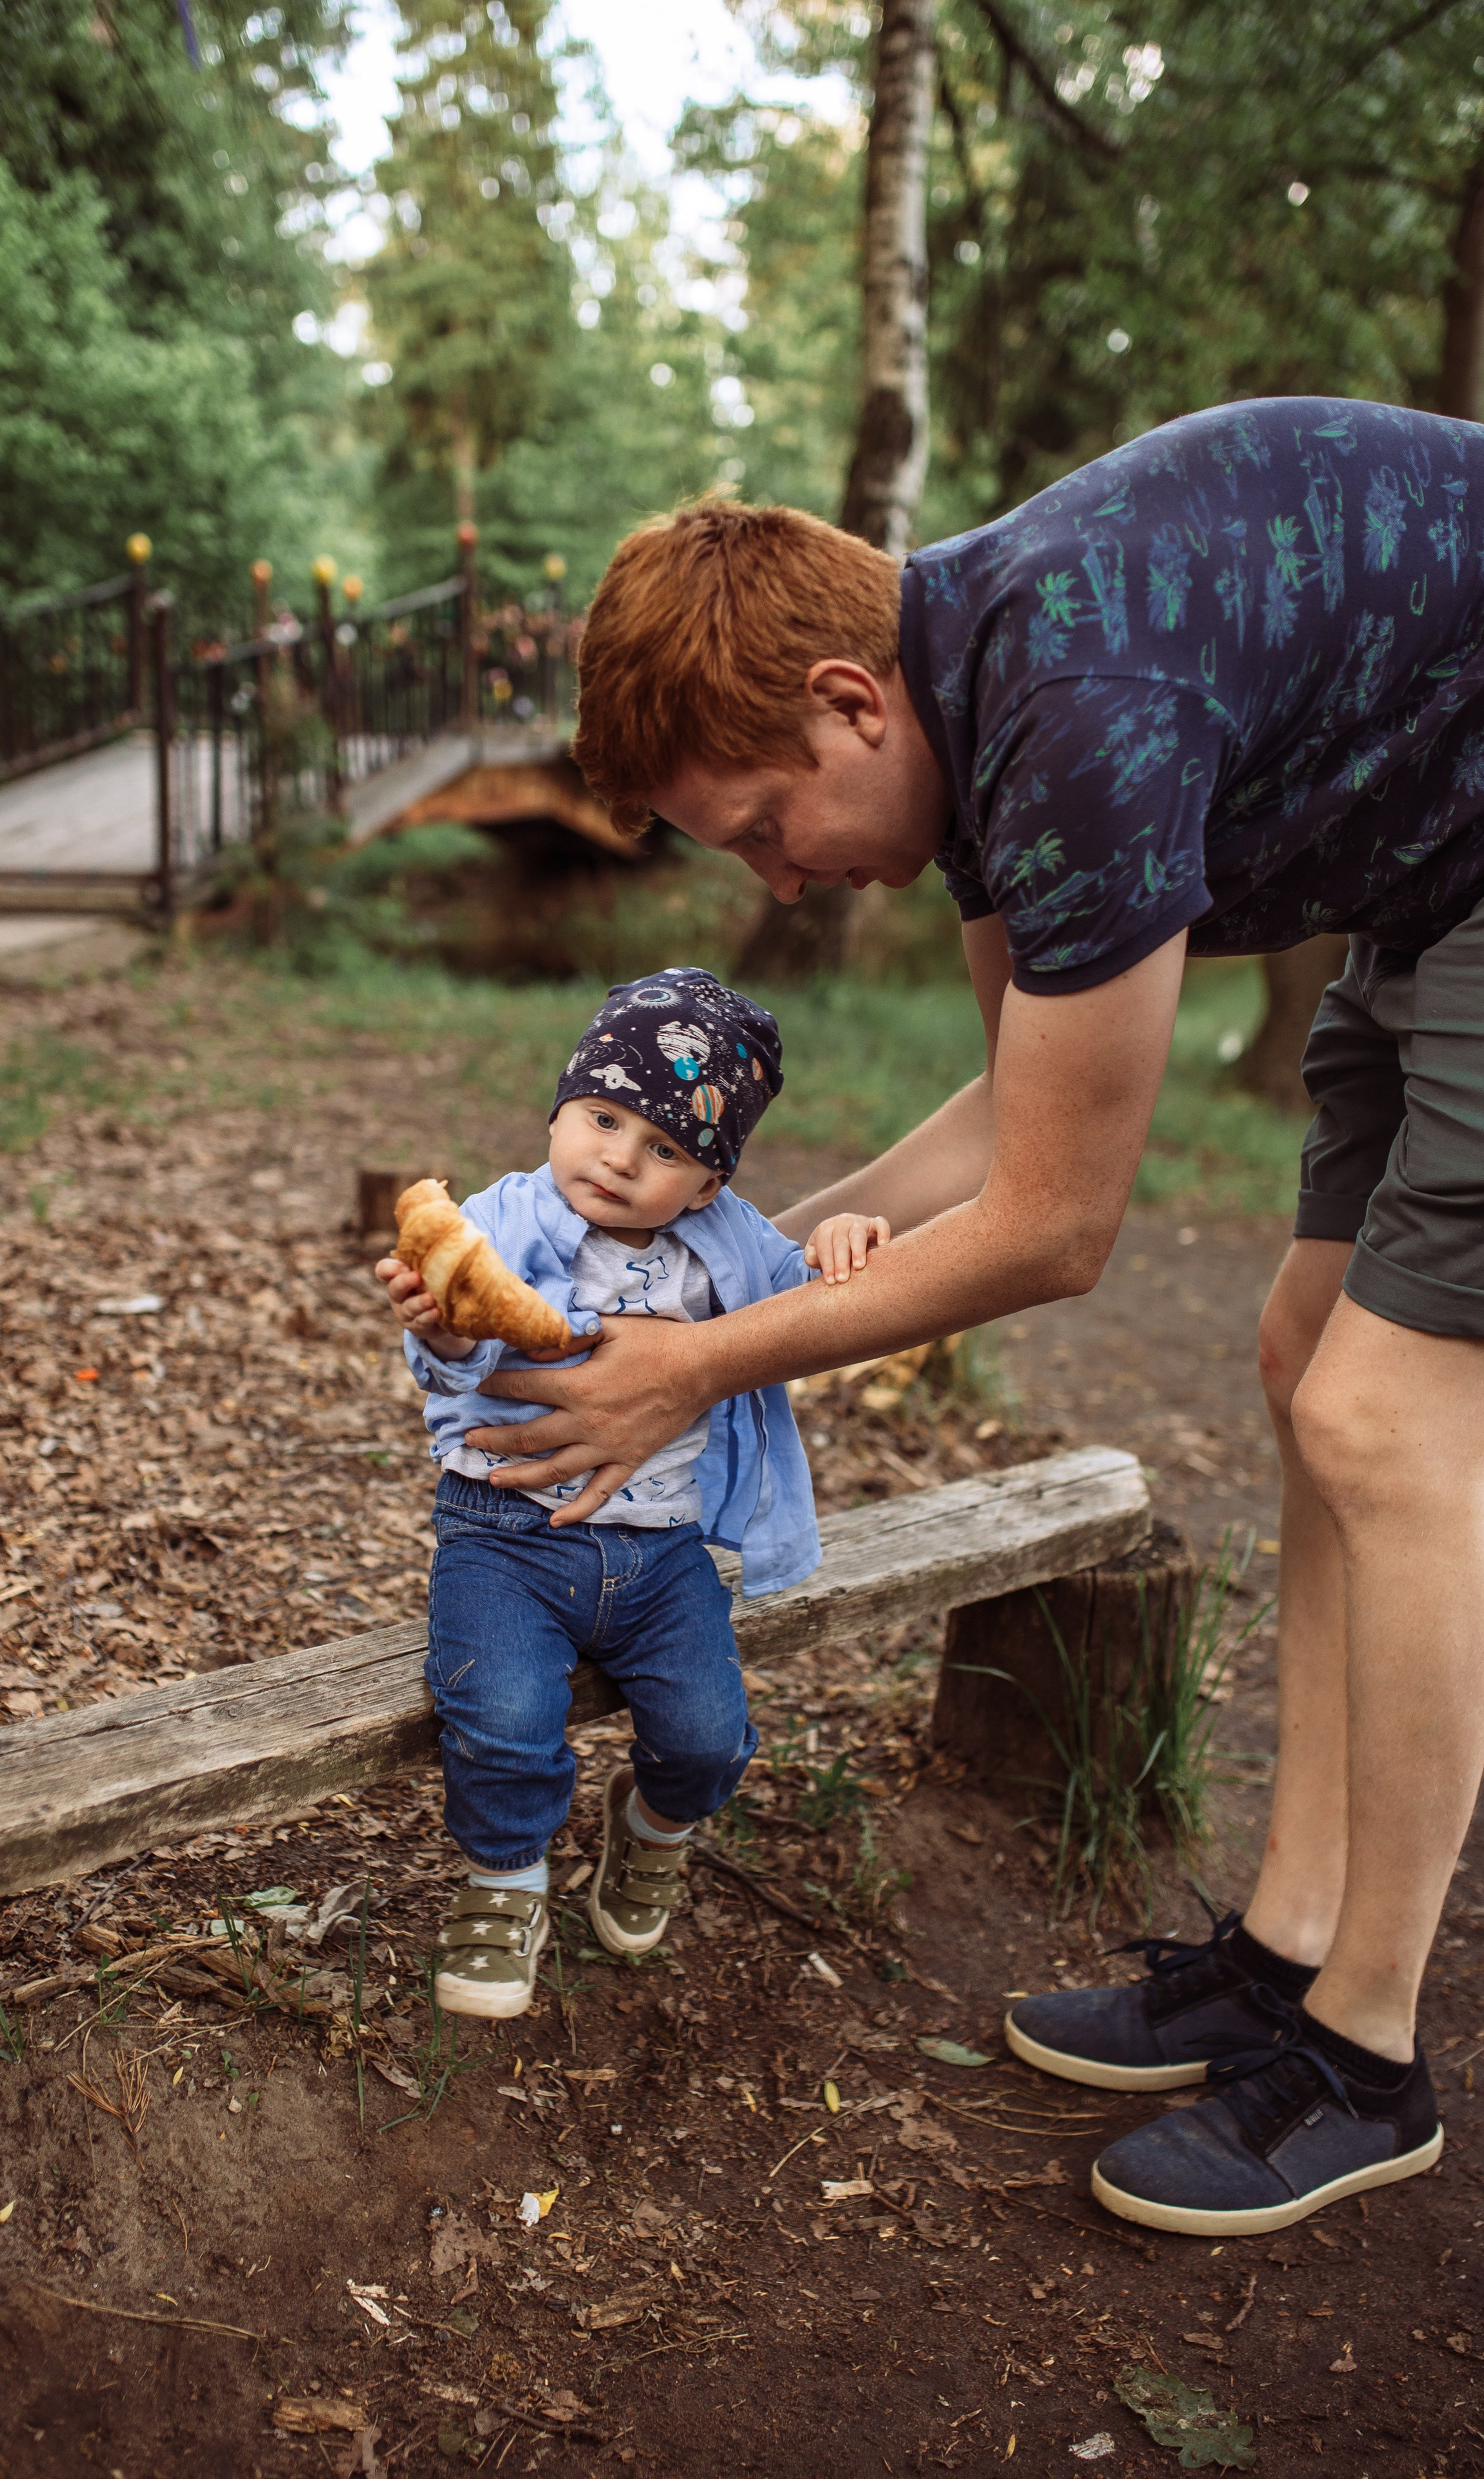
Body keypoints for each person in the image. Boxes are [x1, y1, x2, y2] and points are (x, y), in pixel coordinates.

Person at [457, 396, 1484, 2232]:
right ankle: (1290, 1950)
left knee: (1381, 1418)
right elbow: (1024, 1103)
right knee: (1296, 1356)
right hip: (1439, 867)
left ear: (854, 702)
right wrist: (754, 1259)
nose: (778, 880)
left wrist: (687, 1363)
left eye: (769, 823)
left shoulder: (1071, 714)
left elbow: (1057, 1226)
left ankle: (1370, 2052)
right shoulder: (978, 706)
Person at [376, 965, 888, 2018]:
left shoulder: (733, 1240)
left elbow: (801, 1305)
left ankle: (652, 1825)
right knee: (503, 1711)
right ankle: (504, 1879)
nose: (620, 1156)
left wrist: (841, 1248)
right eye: (603, 1117)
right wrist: (440, 1330)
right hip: (506, 1532)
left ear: (708, 1183)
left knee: (708, 1732)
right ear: (561, 1110)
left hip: (661, 1549)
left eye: (666, 1148)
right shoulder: (497, 1222)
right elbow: (452, 1368)